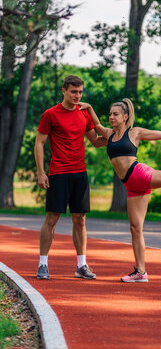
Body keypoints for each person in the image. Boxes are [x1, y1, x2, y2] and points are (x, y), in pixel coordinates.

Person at [79, 99, 161, 283]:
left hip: (140, 175)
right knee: (135, 228)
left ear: (125, 116)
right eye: (110, 114)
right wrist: (89, 107)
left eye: (115, 114)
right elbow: (97, 124)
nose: (111, 117)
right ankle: (140, 272)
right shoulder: (109, 134)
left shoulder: (135, 133)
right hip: (131, 186)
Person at [35, 75, 107, 280]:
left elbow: (96, 142)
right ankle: (42, 264)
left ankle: (81, 265)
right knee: (52, 219)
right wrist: (41, 172)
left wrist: (117, 135)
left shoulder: (84, 114)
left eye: (80, 92)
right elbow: (39, 143)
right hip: (58, 173)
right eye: (73, 91)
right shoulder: (50, 114)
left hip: (80, 173)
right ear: (64, 91)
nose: (77, 96)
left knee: (80, 220)